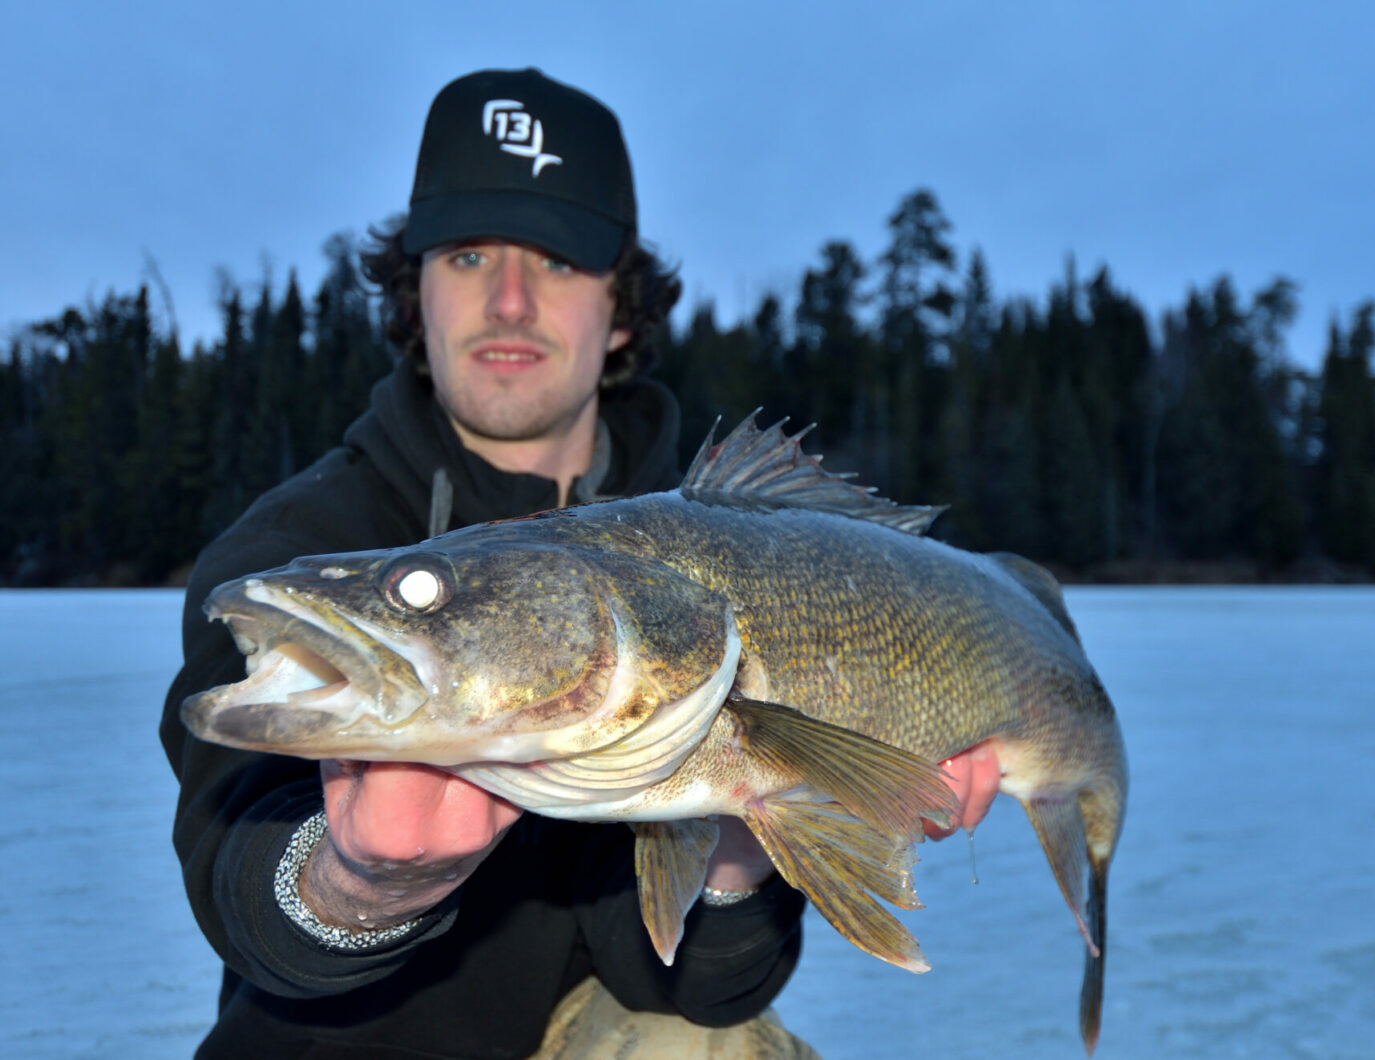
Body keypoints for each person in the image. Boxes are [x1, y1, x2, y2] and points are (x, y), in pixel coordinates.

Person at [161, 68, 997, 1060]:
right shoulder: (298, 543)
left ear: (624, 309)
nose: (509, 299)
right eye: (468, 254)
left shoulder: (720, 553)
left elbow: (690, 988)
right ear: (413, 290)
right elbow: (244, 876)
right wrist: (356, 884)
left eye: (556, 260)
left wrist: (748, 831)